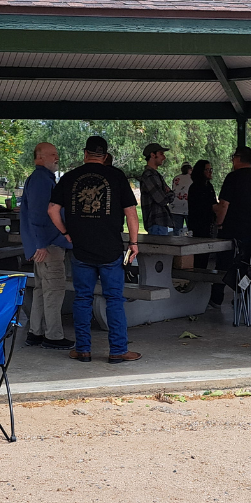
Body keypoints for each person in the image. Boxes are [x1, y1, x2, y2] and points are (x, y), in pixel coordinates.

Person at [48, 135, 142, 364]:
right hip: (110, 249)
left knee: (82, 299)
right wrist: (133, 243)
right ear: (105, 155)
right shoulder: (117, 176)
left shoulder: (70, 177)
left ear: (85, 153)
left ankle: (83, 350)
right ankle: (118, 350)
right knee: (114, 300)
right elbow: (131, 212)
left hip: (81, 249)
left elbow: (52, 210)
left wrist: (66, 233)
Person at [20, 142, 73, 350]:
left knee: (42, 290)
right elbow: (38, 214)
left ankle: (36, 332)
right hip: (49, 245)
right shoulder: (42, 180)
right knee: (54, 290)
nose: (56, 158)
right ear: (39, 157)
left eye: (56, 154)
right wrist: (40, 244)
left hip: (43, 244)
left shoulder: (39, 178)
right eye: (52, 154)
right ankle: (53, 335)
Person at [213, 146, 251, 310]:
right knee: (247, 263)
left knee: (223, 263)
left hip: (231, 227)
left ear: (237, 158)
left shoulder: (232, 177)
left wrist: (219, 223)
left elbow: (224, 204)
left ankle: (216, 297)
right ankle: (245, 295)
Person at [138, 142, 173, 236]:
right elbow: (162, 199)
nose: (164, 157)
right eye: (161, 154)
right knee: (159, 245)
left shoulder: (155, 175)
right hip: (156, 221)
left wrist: (168, 194)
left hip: (158, 222)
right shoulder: (149, 175)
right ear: (152, 155)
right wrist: (169, 194)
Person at [170, 162, 192, 235]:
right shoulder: (193, 178)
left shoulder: (176, 178)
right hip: (188, 206)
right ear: (190, 169)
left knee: (177, 230)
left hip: (175, 207)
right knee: (191, 230)